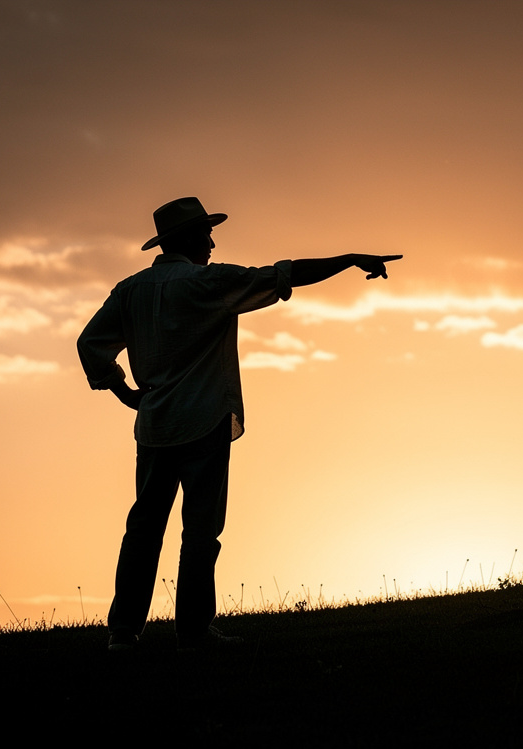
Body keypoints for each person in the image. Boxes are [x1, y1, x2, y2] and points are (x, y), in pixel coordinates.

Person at [77, 196, 400, 651]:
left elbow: (90, 343)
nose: (211, 242)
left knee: (144, 528)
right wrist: (348, 260)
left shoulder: (130, 289)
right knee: (201, 531)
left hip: (154, 426)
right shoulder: (209, 282)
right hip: (204, 421)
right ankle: (192, 631)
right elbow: (284, 274)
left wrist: (125, 391)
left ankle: (123, 633)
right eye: (206, 234)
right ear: (189, 238)